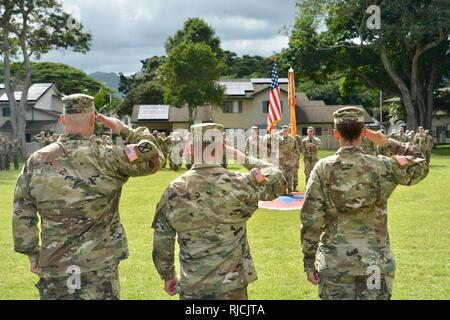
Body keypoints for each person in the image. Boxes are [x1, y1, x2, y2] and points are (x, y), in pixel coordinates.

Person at [12, 93, 165, 300]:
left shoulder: (37, 160)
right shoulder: (110, 156)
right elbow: (154, 157)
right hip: (100, 264)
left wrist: (31, 252)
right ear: (93, 119)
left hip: (54, 262)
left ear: (63, 120)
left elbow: (22, 209)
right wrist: (124, 130)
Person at [300, 107, 429, 300]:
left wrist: (309, 263)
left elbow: (311, 219)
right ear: (363, 133)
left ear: (336, 133)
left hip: (336, 262)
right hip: (375, 261)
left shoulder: (323, 168)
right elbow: (420, 163)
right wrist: (388, 142)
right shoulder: (382, 165)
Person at [152, 123, 284, 300]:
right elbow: (276, 178)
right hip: (232, 285)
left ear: (190, 148)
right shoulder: (241, 184)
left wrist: (167, 275)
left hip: (193, 284)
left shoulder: (174, 190)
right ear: (222, 149)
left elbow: (162, 242)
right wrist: (240, 156)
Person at [277, 125, 300, 194]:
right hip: (281, 162)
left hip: (290, 162)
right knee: (282, 177)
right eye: (283, 131)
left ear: (288, 131)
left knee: (289, 177)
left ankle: (290, 191)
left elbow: (297, 150)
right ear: (282, 132)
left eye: (286, 131)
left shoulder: (293, 140)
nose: (285, 132)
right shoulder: (279, 140)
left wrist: (295, 159)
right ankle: (283, 191)